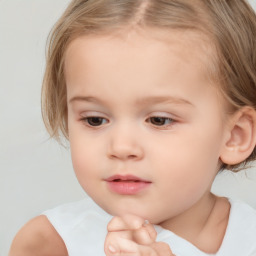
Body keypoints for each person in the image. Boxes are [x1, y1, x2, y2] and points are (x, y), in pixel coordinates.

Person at [9, 0, 256, 255]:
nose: (121, 147)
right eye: (95, 119)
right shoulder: (48, 244)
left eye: (159, 120)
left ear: (235, 135)